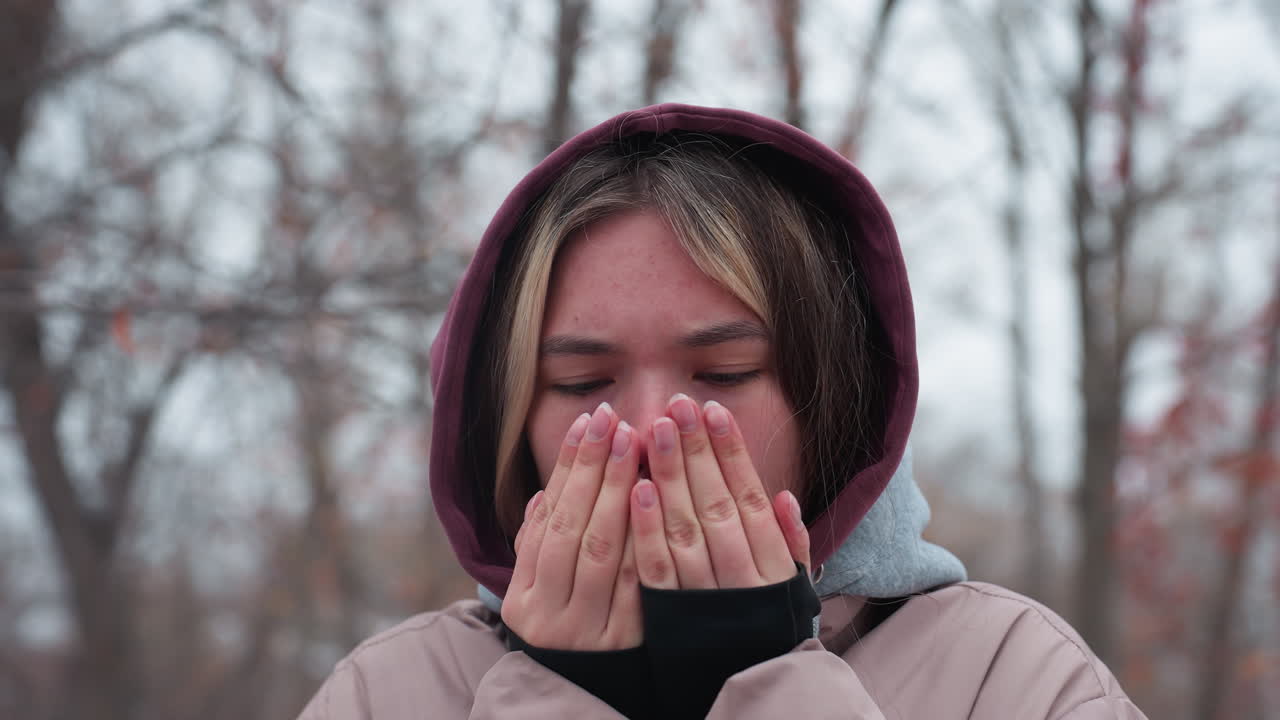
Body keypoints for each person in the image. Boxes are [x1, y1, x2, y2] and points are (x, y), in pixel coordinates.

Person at [297, 104, 1146, 719]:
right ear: (511, 419)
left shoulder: (1014, 680)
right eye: (581, 384)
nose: (647, 432)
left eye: (726, 371)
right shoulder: (387, 695)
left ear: (830, 407)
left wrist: (771, 682)